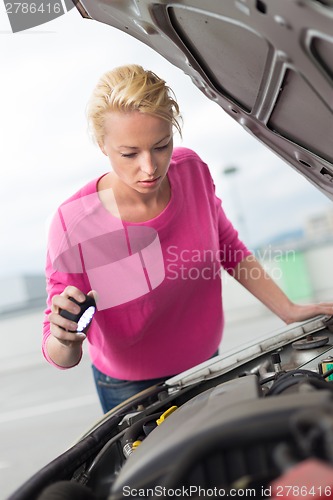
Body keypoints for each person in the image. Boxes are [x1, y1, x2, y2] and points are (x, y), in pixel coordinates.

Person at [43, 64, 333, 413]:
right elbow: (61, 353)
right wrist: (64, 338)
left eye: (161, 146)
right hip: (130, 389)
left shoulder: (192, 170)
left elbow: (228, 246)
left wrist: (287, 309)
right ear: (102, 145)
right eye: (129, 154)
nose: (150, 167)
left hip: (207, 364)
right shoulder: (73, 223)